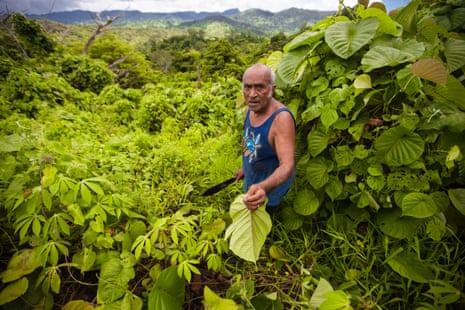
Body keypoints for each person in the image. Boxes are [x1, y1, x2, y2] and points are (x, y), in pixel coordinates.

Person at [235, 63, 296, 214]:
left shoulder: (281, 119)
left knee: (265, 227)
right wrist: (245, 167)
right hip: (253, 181)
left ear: (272, 89)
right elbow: (250, 138)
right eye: (247, 87)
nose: (252, 94)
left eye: (260, 87)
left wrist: (263, 187)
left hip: (270, 189)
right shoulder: (252, 108)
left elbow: (287, 165)